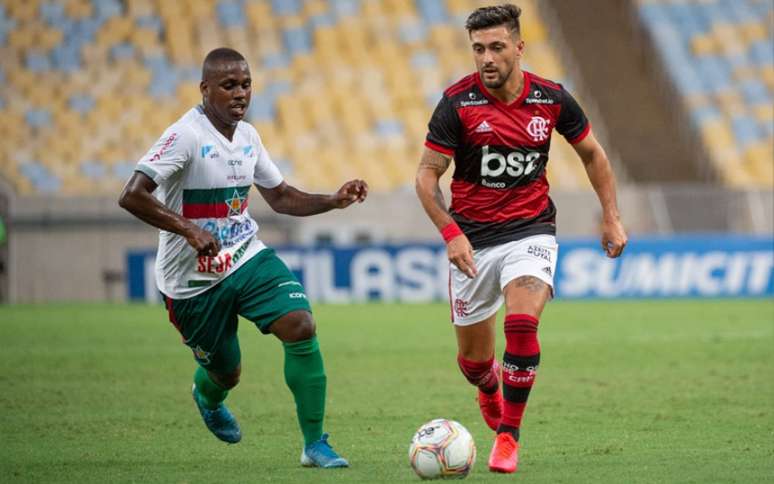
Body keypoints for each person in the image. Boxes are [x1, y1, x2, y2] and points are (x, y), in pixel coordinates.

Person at [118, 47, 367, 468]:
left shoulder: (248, 136)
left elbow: (282, 197)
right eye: (229, 85)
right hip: (191, 281)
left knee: (300, 323)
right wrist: (188, 228)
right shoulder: (186, 135)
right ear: (205, 89)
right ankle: (208, 395)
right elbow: (131, 195)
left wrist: (333, 200)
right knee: (227, 373)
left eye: (246, 84)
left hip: (245, 255)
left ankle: (314, 444)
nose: (240, 94)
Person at [415, 4, 627, 474]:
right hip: (472, 242)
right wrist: (450, 233)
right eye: (478, 49)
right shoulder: (457, 103)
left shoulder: (551, 98)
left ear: (518, 47)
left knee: (523, 323)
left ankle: (508, 436)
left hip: (530, 231)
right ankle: (488, 386)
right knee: (473, 362)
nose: (486, 58)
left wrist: (610, 217)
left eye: (496, 47)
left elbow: (593, 154)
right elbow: (427, 178)